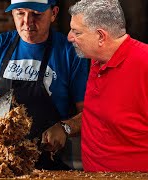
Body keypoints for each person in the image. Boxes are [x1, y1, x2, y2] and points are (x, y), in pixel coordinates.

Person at [0, 0, 89, 170]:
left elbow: (89, 113)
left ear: (54, 13)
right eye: (20, 13)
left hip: (51, 164)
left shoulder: (71, 53)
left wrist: (65, 128)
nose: (27, 22)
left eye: (36, 14)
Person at [68, 0, 148, 172]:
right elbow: (96, 114)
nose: (69, 37)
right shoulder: (95, 57)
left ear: (101, 36)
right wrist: (65, 127)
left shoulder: (144, 64)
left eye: (76, 32)